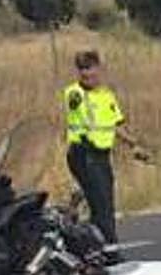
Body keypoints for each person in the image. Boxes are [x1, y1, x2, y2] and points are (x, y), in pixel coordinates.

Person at [62, 50, 147, 247]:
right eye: (81, 69)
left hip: (101, 156)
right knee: (102, 207)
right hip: (83, 153)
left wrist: (134, 145)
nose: (86, 73)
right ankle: (110, 249)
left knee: (104, 203)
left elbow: (115, 126)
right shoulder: (75, 93)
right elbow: (74, 104)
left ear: (98, 69)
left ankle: (82, 232)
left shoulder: (107, 96)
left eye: (89, 68)